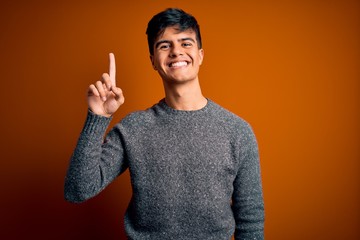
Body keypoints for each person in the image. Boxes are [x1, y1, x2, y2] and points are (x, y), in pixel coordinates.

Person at [64, 8, 264, 240]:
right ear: (153, 61)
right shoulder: (134, 128)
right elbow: (77, 190)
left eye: (185, 43)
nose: (176, 52)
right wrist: (97, 117)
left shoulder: (238, 131)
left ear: (200, 55)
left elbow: (250, 220)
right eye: (164, 45)